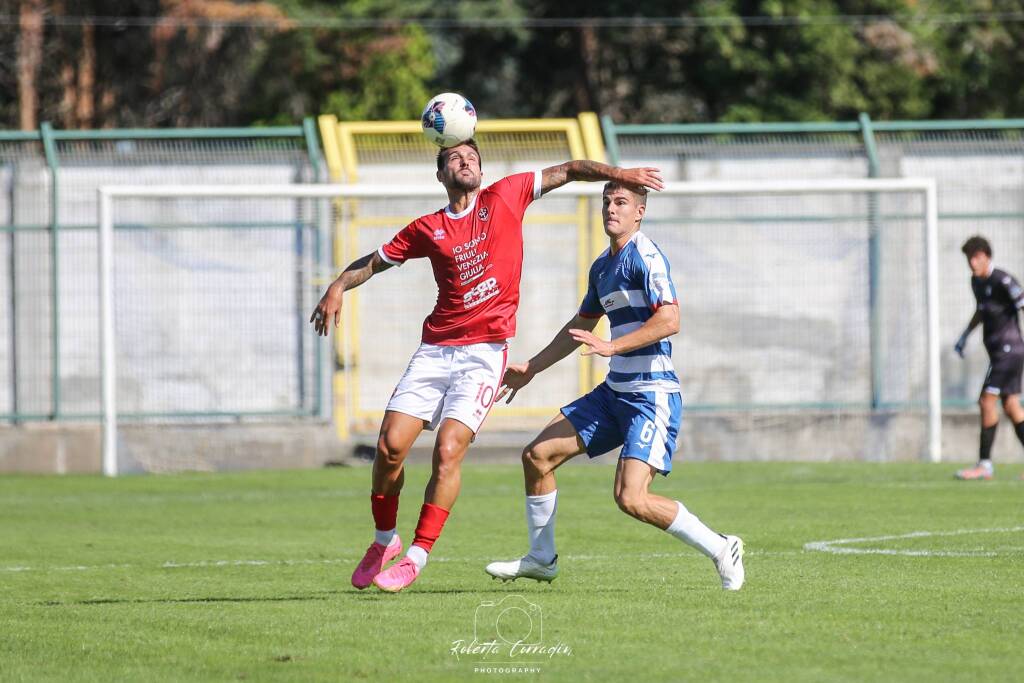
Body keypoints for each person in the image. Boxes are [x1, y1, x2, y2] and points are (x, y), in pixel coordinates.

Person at [311, 139, 664, 592]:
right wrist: (339, 284)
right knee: (389, 447)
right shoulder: (428, 228)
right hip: (435, 349)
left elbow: (572, 169)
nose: (467, 161)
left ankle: (417, 555)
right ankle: (385, 540)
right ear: (441, 175)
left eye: (473, 156)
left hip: (484, 353)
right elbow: (376, 262)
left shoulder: (506, 195)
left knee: (449, 448)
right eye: (456, 158)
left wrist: (623, 173)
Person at [483, 181, 745, 591]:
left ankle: (720, 546)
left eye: (620, 202)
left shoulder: (647, 256)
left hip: (651, 396)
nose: (610, 208)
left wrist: (612, 345)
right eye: (606, 201)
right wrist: (532, 367)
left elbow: (670, 319)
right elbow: (580, 326)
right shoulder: (602, 267)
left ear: (639, 212)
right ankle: (540, 558)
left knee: (631, 498)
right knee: (537, 456)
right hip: (614, 393)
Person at [953, 235, 1024, 480]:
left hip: (1009, 351)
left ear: (987, 256)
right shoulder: (976, 282)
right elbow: (981, 311)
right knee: (1012, 406)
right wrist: (965, 334)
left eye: (976, 257)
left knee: (986, 401)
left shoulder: (1003, 280)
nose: (972, 263)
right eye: (969, 258)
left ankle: (984, 464)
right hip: (997, 353)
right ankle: (985, 464)